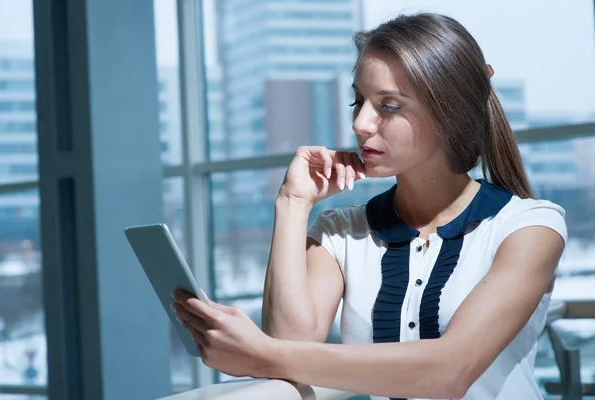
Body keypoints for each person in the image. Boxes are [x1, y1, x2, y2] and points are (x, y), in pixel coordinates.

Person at [171, 12, 567, 400]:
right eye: (358, 101)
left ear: (451, 114)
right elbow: (290, 345)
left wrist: (259, 352)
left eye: (389, 106)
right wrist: (292, 203)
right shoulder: (340, 232)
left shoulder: (529, 228)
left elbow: (450, 372)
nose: (361, 123)